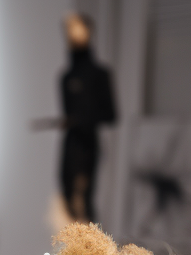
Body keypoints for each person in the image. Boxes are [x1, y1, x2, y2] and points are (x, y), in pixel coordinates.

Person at [59, 12, 116, 223]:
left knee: (85, 200)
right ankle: (72, 250)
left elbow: (110, 114)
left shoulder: (100, 75)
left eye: (76, 29)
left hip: (88, 145)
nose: (71, 35)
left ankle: (91, 250)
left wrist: (82, 119)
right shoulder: (65, 77)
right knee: (66, 197)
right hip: (71, 144)